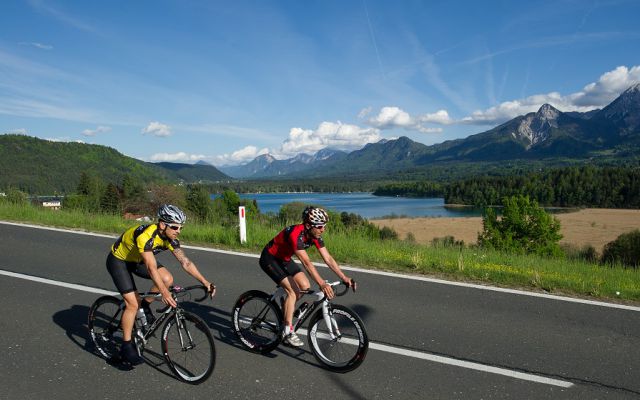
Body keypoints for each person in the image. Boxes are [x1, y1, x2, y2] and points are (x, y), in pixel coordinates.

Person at [106, 204, 216, 365]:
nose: (178, 231)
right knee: (132, 304)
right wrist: (164, 293)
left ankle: (145, 305)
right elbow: (151, 268)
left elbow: (185, 262)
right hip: (119, 261)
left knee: (167, 279)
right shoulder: (146, 236)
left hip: (138, 260)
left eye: (181, 227)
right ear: (163, 224)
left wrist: (205, 282)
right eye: (175, 227)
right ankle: (126, 346)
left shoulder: (170, 238)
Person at [259, 206, 356, 347]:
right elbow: (307, 263)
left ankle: (286, 311)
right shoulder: (295, 234)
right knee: (293, 291)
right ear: (309, 225)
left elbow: (328, 258)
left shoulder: (314, 235)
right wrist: (322, 283)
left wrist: (344, 277)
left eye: (324, 226)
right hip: (270, 258)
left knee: (305, 286)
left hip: (284, 259)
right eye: (320, 226)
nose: (323, 229)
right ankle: (287, 331)